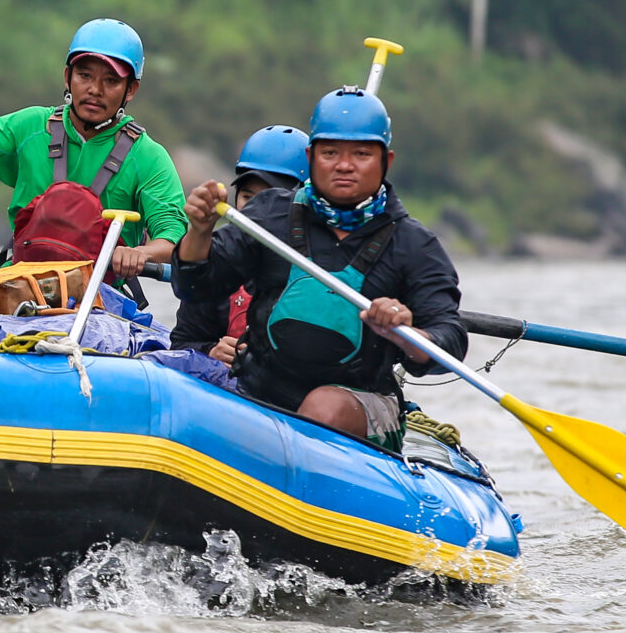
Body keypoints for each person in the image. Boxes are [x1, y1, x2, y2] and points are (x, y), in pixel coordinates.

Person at [168, 86, 463, 447]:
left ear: (387, 160)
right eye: (330, 153)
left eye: (361, 154)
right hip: (260, 389)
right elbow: (195, 286)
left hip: (362, 400)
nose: (344, 164)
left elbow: (449, 339)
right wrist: (199, 232)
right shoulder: (268, 214)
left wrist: (406, 333)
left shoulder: (415, 245)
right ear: (310, 157)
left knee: (324, 407)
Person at [0, 18, 187, 288]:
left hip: (97, 298)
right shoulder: (28, 126)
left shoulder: (148, 156)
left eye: (111, 81)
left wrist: (139, 253)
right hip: (17, 286)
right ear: (68, 77)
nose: (95, 90)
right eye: (85, 76)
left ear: (130, 90)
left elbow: (174, 238)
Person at [169, 123, 310, 358]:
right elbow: (183, 341)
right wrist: (210, 351)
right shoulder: (219, 258)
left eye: (268, 199)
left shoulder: (318, 261)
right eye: (247, 197)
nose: (256, 210)